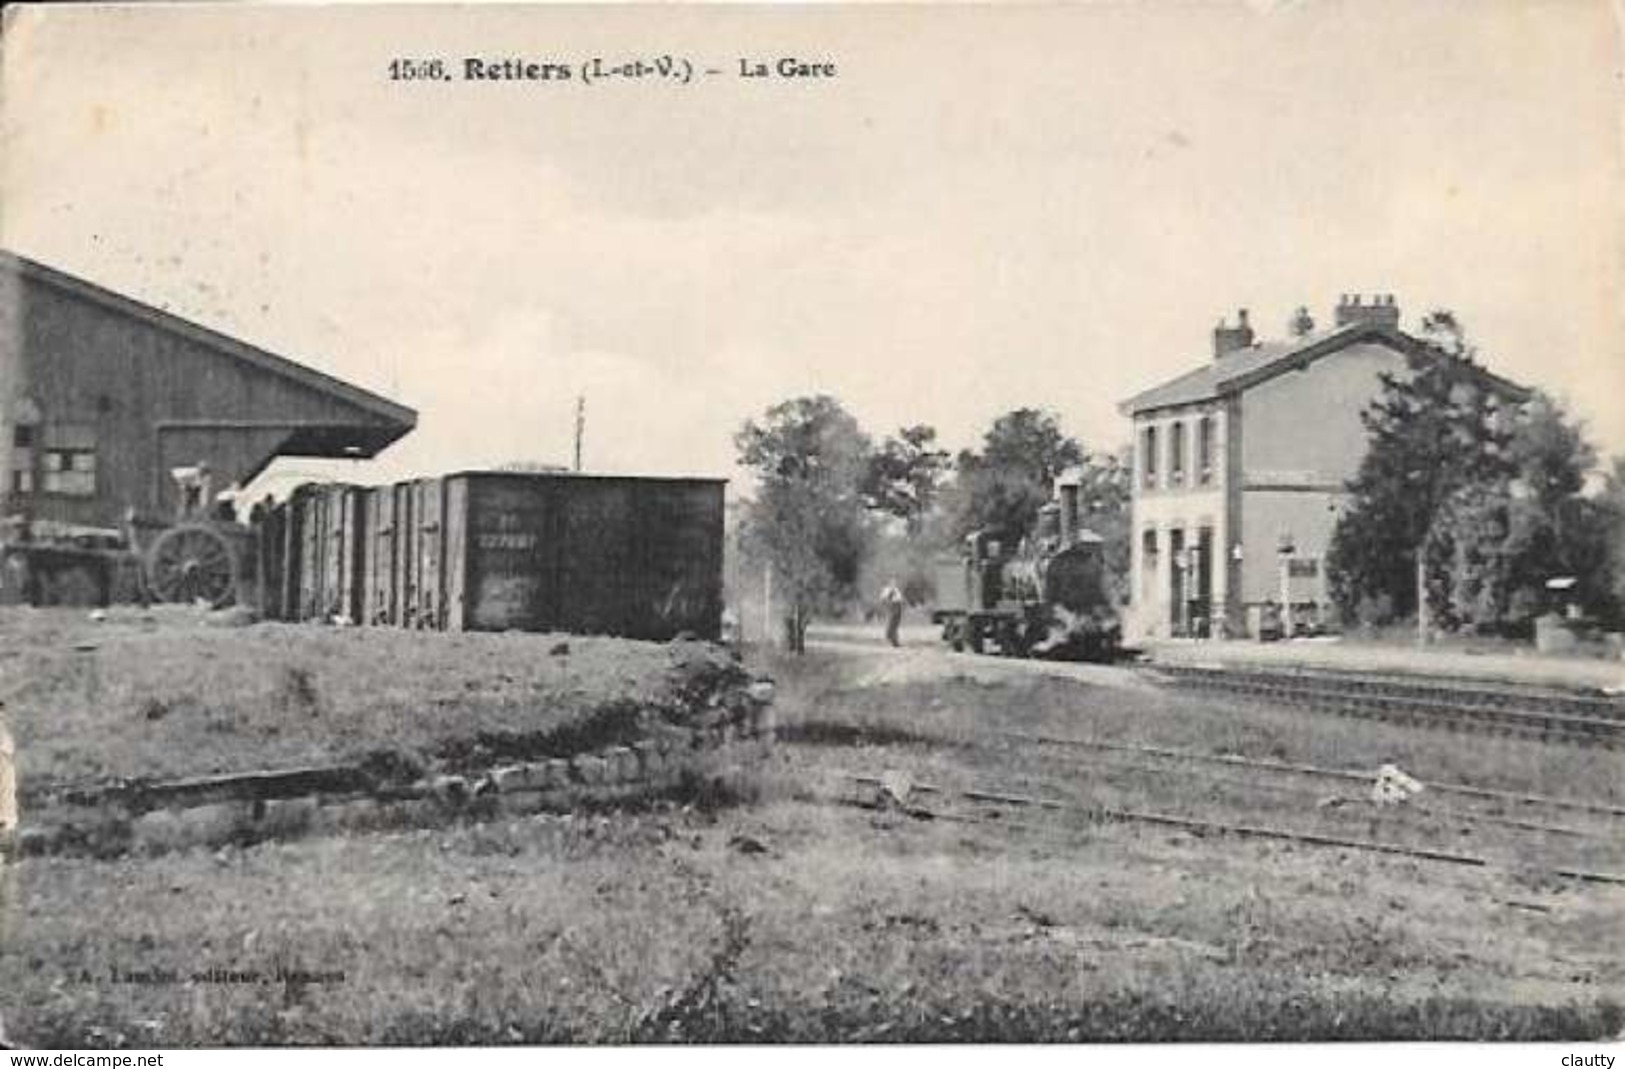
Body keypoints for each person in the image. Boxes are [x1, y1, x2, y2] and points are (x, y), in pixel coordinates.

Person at [879, 579, 905, 648]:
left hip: (898, 606)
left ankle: (894, 640)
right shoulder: (887, 589)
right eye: (892, 582)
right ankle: (891, 640)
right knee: (891, 623)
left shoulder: (897, 590)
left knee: (896, 624)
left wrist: (900, 604)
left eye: (895, 582)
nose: (894, 583)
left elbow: (900, 599)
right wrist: (889, 602)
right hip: (892, 606)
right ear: (889, 583)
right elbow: (883, 598)